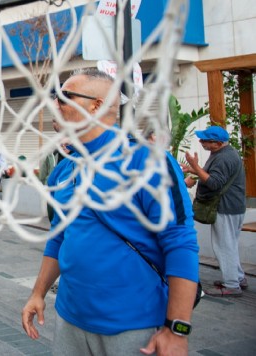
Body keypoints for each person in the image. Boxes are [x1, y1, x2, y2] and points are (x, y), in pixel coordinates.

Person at [20, 68, 199, 355]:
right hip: (69, 319)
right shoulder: (64, 170)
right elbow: (59, 238)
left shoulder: (147, 161)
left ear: (97, 105)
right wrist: (38, 293)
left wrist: (177, 329)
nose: (56, 104)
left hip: (132, 326)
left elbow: (181, 244)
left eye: (65, 97)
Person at [181, 125, 247, 296]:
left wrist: (196, 166)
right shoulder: (223, 153)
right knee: (229, 244)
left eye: (205, 140)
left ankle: (232, 284)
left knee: (224, 246)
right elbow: (214, 176)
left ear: (217, 143)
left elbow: (214, 183)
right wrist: (194, 169)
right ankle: (238, 278)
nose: (201, 142)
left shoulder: (224, 158)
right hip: (233, 206)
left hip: (225, 207)